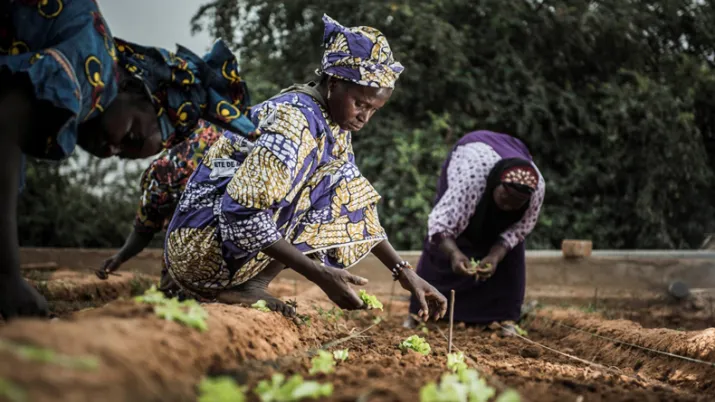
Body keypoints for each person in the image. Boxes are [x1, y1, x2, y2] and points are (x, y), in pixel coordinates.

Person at [163, 15, 448, 320]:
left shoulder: (332, 124)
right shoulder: (293, 122)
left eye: (374, 110)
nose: (365, 117)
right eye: (361, 104)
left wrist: (404, 271)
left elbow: (351, 199)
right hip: (199, 249)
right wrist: (318, 274)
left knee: (342, 179)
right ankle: (248, 286)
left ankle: (250, 284)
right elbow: (240, 210)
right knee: (337, 177)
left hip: (221, 249)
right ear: (334, 84)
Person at [0, 0, 255, 320]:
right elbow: (5, 128)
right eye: (131, 137)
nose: (111, 150)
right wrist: (7, 275)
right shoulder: (95, 63)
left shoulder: (227, 170)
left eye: (122, 154)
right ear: (136, 90)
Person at [406, 131, 545, 334]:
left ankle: (504, 317)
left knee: (511, 254)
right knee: (440, 248)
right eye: (504, 198)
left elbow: (519, 229)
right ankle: (422, 313)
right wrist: (454, 254)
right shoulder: (471, 178)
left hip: (505, 155)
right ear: (495, 185)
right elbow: (440, 226)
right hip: (470, 155)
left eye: (516, 203)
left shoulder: (537, 190)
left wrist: (495, 256)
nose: (507, 206)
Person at [95, 120, 242, 282]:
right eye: (165, 214)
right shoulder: (156, 182)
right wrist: (120, 257)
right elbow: (144, 229)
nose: (165, 224)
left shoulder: (221, 171)